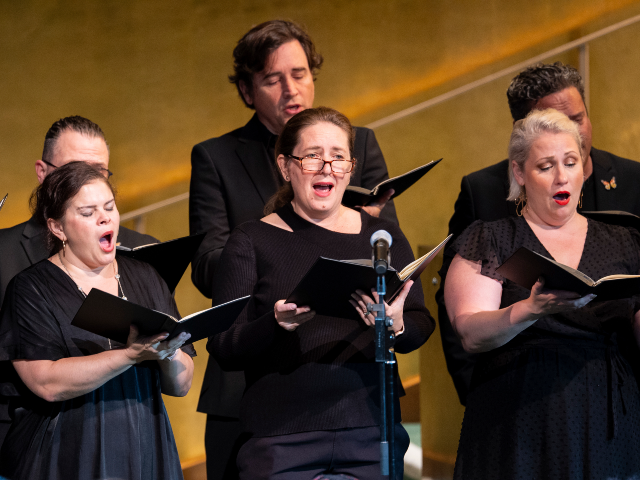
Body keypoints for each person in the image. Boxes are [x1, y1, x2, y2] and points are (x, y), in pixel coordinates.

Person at [190, 20, 398, 479]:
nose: (291, 88)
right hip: (252, 378)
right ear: (247, 90)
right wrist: (278, 245)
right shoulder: (217, 157)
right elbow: (206, 265)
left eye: (300, 73)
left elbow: (389, 251)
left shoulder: (356, 141)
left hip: (350, 375)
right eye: (273, 78)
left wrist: (353, 226)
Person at [208, 107, 434, 479]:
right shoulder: (252, 239)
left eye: (338, 157)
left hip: (370, 428)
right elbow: (222, 345)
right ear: (286, 166)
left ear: (350, 168)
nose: (326, 167)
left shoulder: (382, 237)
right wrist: (275, 323)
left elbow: (421, 321)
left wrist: (394, 324)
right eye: (313, 155)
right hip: (280, 435)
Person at [445, 108, 640, 479]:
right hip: (519, 415)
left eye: (571, 162)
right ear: (520, 173)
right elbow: (471, 333)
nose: (561, 176)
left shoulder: (624, 242)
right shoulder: (493, 238)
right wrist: (529, 310)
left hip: (608, 415)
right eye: (546, 166)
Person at [437, 62, 640, 406]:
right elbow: (462, 322)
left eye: (577, 119)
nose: (561, 176)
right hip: (515, 397)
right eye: (546, 166)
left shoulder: (628, 223)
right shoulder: (486, 209)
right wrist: (473, 389)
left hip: (613, 402)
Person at [0, 161, 195, 480]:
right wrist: (129, 355)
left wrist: (169, 354)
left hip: (146, 447)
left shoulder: (144, 276)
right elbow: (47, 383)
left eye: (109, 207)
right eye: (88, 212)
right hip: (69, 453)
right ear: (57, 227)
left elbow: (181, 384)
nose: (105, 217)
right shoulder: (32, 288)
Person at [0, 115, 157, 447]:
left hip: (128, 426)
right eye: (74, 168)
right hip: (28, 436)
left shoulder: (140, 252)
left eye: (98, 172)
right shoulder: (3, 251)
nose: (86, 181)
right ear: (42, 173)